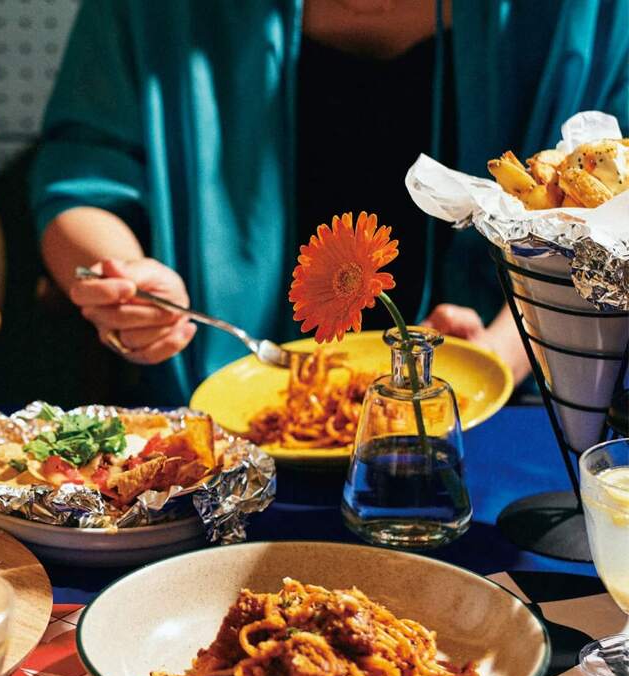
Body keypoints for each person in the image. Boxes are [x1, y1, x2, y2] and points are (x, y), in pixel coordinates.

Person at [33, 0, 628, 406]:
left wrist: (497, 357)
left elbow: (617, 213)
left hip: (523, 408)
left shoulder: (587, 14)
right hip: (217, 413)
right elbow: (82, 174)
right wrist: (124, 279)